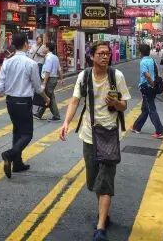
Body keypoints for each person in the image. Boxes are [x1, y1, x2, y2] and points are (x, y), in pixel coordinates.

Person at [59, 41, 131, 241]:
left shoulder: (117, 76)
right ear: (92, 56)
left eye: (107, 53)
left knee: (105, 181)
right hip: (89, 135)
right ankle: (104, 214)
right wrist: (66, 122)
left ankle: (100, 227)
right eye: (101, 53)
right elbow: (75, 101)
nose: (105, 56)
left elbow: (124, 105)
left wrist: (115, 103)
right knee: (94, 182)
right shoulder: (84, 76)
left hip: (109, 134)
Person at [0, 33, 49, 177]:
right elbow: (38, 87)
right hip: (24, 102)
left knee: (17, 131)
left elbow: (0, 86)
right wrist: (46, 98)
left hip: (10, 102)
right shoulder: (31, 64)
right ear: (26, 44)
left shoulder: (7, 62)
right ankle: (9, 154)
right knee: (27, 134)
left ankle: (17, 163)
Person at [131, 43, 163, 138]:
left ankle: (160, 131)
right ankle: (136, 127)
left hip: (147, 88)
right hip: (152, 87)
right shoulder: (152, 60)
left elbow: (147, 75)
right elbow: (156, 73)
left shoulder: (143, 62)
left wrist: (152, 85)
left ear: (140, 52)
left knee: (151, 109)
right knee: (145, 108)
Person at [34, 42, 63, 121]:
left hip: (49, 79)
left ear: (47, 48)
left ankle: (56, 116)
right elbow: (59, 69)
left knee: (47, 98)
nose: (43, 48)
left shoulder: (49, 58)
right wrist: (61, 79)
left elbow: (48, 71)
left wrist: (44, 82)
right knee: (49, 97)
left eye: (44, 47)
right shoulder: (55, 57)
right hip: (53, 79)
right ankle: (39, 114)